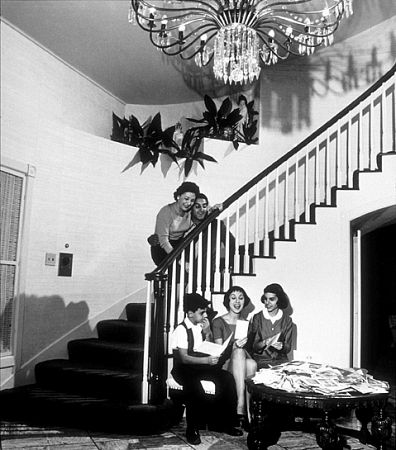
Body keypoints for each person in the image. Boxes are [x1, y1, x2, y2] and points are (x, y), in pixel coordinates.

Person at [171, 293, 243, 445]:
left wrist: (208, 332)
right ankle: (192, 429)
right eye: (201, 312)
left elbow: (207, 346)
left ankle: (225, 423)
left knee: (227, 378)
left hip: (199, 365)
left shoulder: (200, 326)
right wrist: (207, 360)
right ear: (190, 313)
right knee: (195, 386)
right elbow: (184, 358)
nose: (204, 315)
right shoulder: (181, 330)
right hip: (183, 368)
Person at [212, 286, 256, 429]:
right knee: (237, 352)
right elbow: (219, 351)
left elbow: (248, 350)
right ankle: (241, 406)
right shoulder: (218, 322)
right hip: (225, 362)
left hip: (240, 363)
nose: (237, 301)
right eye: (233, 298)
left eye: (241, 298)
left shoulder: (246, 323)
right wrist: (234, 345)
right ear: (227, 301)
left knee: (252, 364)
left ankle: (248, 414)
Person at [151, 182, 200, 266]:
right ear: (178, 197)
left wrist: (215, 207)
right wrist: (178, 260)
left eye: (192, 200)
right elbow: (163, 241)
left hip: (178, 246)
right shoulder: (166, 211)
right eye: (186, 199)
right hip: (162, 249)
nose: (189, 203)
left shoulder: (190, 211)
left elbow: (205, 211)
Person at [246, 283, 293, 370]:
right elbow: (252, 346)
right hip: (260, 361)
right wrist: (265, 342)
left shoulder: (287, 320)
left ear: (279, 300)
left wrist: (282, 346)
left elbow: (288, 347)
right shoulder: (257, 318)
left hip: (280, 362)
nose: (267, 303)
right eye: (265, 299)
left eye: (271, 299)